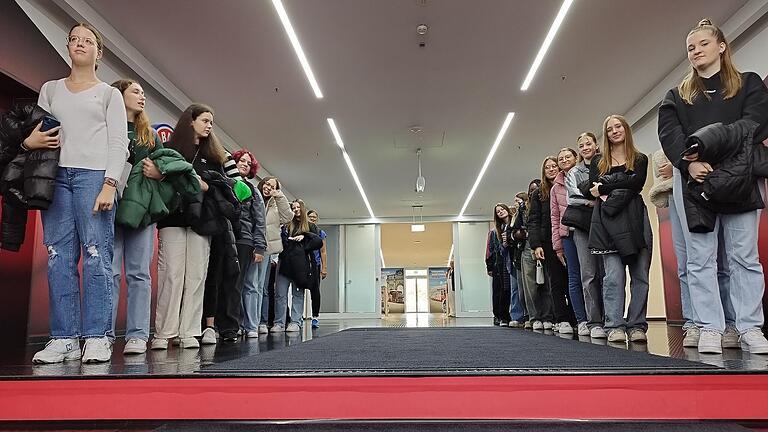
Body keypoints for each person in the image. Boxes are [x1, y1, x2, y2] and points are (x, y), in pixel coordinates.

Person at [658, 19, 768, 354]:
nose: (695, 51)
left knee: (743, 256)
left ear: (721, 46)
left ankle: (749, 327)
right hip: (694, 181)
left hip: (740, 178)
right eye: (691, 47)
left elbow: (756, 124)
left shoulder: (748, 84)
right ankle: (710, 326)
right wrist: (689, 162)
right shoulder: (677, 95)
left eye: (703, 44)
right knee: (700, 258)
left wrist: (710, 148)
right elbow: (670, 134)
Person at [29, 23, 129, 364]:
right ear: (68, 47)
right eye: (74, 39)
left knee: (96, 255)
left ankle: (98, 336)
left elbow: (119, 142)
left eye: (88, 40)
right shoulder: (51, 89)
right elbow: (38, 134)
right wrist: (30, 142)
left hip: (93, 176)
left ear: (98, 53)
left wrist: (109, 183)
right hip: (55, 176)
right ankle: (64, 337)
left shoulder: (108, 94)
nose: (80, 44)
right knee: (58, 256)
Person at [151, 103, 227, 350]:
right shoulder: (170, 150)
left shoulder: (214, 158)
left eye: (211, 122)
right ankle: (164, 332)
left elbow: (221, 188)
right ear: (190, 121)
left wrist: (205, 186)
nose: (209, 126)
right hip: (172, 218)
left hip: (202, 221)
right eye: (205, 120)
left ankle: (190, 331)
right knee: (170, 274)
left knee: (196, 276)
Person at [585, 115, 651, 344]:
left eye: (618, 126)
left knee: (640, 275)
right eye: (609, 128)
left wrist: (605, 185)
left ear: (625, 129)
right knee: (613, 276)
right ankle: (614, 324)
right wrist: (622, 181)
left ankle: (637, 325)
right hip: (607, 221)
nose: (614, 131)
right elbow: (591, 189)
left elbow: (637, 183)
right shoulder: (598, 161)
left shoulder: (640, 158)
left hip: (636, 219)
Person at [110, 79, 164, 355]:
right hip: (108, 205)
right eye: (135, 91)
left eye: (144, 92)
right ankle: (103, 334)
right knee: (110, 271)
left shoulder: (149, 136)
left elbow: (161, 168)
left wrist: (158, 172)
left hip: (141, 211)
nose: (142, 97)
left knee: (139, 273)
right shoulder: (107, 127)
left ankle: (138, 335)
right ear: (118, 94)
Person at [565, 133, 606, 338]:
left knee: (607, 273)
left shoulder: (606, 164)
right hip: (583, 226)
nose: (585, 147)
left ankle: (611, 319)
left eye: (588, 143)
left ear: (596, 145)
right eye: (581, 145)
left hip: (607, 224)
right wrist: (594, 199)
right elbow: (573, 197)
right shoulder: (573, 172)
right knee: (588, 274)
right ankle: (594, 321)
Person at [529, 157, 573, 334]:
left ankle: (574, 316)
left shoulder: (568, 185)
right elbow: (533, 220)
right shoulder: (539, 193)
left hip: (568, 237)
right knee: (555, 281)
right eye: (547, 167)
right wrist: (536, 244)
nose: (551, 169)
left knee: (572, 278)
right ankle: (561, 318)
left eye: (554, 166)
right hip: (547, 241)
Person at [246, 176, 294, 334]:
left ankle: (258, 322)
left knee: (260, 286)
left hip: (265, 248)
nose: (268, 187)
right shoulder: (252, 194)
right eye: (266, 183)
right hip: (248, 243)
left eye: (272, 186)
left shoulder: (275, 204)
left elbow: (288, 217)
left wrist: (279, 196)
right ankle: (245, 322)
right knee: (247, 284)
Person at [551, 147, 587, 335]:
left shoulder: (585, 174)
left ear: (575, 158)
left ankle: (597, 318)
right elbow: (554, 217)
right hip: (567, 235)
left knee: (591, 275)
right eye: (561, 158)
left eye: (567, 156)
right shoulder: (555, 187)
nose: (564, 160)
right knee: (574, 277)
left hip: (587, 229)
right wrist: (557, 245)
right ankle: (581, 320)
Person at [272, 199, 322, 333]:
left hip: (301, 265)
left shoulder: (310, 226)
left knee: (297, 294)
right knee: (280, 294)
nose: (296, 210)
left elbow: (318, 242)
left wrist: (304, 236)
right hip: (285, 263)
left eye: (298, 207)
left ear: (303, 208)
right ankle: (279, 323)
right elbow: (279, 241)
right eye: (293, 208)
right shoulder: (287, 225)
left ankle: (295, 321)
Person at [307, 210, 327, 328]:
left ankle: (315, 317)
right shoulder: (303, 230)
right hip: (303, 264)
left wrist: (324, 268)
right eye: (310, 216)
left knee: (315, 291)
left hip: (316, 264)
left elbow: (323, 251)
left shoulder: (320, 233)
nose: (313, 218)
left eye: (315, 217)